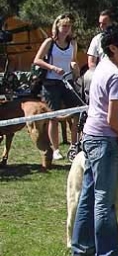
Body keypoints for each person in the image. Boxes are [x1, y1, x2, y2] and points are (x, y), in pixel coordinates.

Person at [70, 24, 118, 256]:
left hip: (90, 137)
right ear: (113, 48)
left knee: (89, 195)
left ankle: (82, 249)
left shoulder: (101, 68)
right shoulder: (117, 76)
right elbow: (112, 119)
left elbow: (110, 115)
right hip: (102, 140)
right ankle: (108, 255)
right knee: (104, 200)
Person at [32, 13, 80, 161]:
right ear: (57, 27)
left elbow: (72, 61)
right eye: (64, 26)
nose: (66, 29)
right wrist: (52, 68)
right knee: (54, 116)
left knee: (77, 112)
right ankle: (56, 149)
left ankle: (74, 145)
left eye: (69, 26)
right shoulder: (50, 42)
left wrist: (74, 67)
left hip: (67, 81)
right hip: (51, 83)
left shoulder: (73, 44)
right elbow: (37, 60)